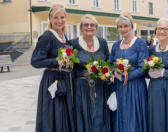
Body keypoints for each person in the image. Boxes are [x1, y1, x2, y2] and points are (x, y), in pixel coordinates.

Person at [31, 4, 75, 132]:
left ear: (66, 18)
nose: (59, 21)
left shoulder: (64, 36)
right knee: (54, 115)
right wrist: (57, 61)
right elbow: (36, 61)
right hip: (52, 81)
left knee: (63, 115)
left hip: (64, 80)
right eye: (56, 17)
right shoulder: (47, 36)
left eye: (62, 17)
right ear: (50, 19)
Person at [69, 14, 111, 132]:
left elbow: (108, 61)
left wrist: (106, 74)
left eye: (92, 25)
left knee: (100, 118)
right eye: (86, 25)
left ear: (96, 28)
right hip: (82, 89)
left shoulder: (102, 42)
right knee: (84, 117)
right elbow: (70, 67)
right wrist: (83, 74)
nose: (89, 27)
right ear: (81, 27)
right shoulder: (73, 43)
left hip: (101, 87)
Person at [108, 12, 148, 132]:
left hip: (135, 88)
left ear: (131, 26)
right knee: (121, 117)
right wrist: (113, 72)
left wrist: (126, 76)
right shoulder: (115, 45)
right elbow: (110, 64)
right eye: (120, 27)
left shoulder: (140, 43)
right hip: (119, 88)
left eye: (125, 26)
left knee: (133, 117)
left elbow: (143, 67)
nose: (123, 29)